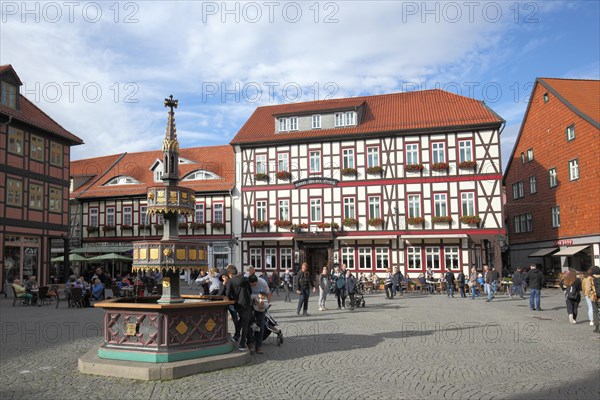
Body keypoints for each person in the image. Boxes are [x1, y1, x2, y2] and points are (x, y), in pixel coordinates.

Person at [225, 264, 253, 351]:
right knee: (245, 323)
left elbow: (227, 294)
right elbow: (250, 291)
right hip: (247, 303)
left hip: (238, 304)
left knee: (242, 320)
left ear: (230, 274)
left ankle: (238, 338)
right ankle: (241, 343)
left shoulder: (231, 281)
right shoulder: (245, 279)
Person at [248, 274, 271, 354]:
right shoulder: (247, 284)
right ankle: (250, 343)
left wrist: (265, 306)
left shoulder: (263, 283)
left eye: (254, 285)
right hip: (251, 305)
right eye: (252, 285)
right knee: (249, 324)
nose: (253, 286)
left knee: (260, 325)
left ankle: (259, 345)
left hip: (260, 307)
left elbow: (268, 294)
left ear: (257, 282)